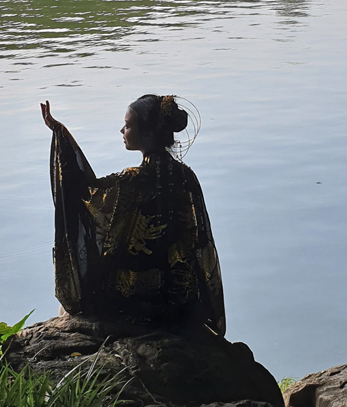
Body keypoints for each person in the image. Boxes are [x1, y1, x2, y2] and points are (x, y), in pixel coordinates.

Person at [41, 94, 226, 336]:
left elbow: (86, 191)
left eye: (128, 125)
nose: (122, 130)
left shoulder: (131, 180)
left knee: (81, 303)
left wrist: (60, 135)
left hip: (134, 303)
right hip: (179, 303)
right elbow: (200, 240)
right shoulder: (187, 177)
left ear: (148, 133)